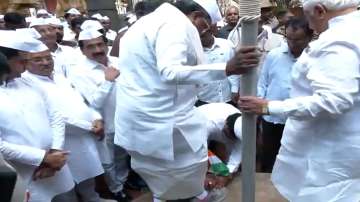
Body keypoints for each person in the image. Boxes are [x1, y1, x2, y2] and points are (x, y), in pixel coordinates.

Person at [114, 0, 260, 201]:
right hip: (164, 124)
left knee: (164, 185)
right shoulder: (175, 23)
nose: (201, 33)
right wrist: (227, 68)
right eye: (204, 27)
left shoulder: (142, 25)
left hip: (136, 124)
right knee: (184, 177)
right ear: (196, 16)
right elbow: (170, 71)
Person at [238, 0, 360, 200]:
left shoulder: (338, 40)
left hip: (328, 155)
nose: (310, 25)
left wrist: (269, 107)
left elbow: (334, 100)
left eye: (308, 17)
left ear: (320, 11)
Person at [21, 34, 105, 201]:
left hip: (84, 138)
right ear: (25, 63)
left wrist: (96, 118)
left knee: (88, 177)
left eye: (47, 58)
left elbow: (81, 100)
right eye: (38, 60)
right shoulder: (28, 84)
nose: (45, 62)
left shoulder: (59, 77)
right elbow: (57, 116)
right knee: (65, 188)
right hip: (60, 144)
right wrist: (89, 127)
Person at [0, 31, 74, 202]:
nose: (26, 66)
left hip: (56, 165)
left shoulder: (28, 82)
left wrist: (55, 153)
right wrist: (43, 158)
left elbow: (55, 115)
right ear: (4, 61)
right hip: (24, 173)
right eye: (22, 61)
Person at [68, 29, 129, 202]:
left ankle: (123, 182)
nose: (97, 49)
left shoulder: (118, 62)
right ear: (82, 50)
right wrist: (108, 81)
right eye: (91, 46)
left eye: (100, 44)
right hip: (105, 123)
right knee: (108, 161)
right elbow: (94, 102)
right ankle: (116, 189)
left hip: (127, 120)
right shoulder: (79, 72)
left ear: (106, 44)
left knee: (122, 156)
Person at [257, 17, 313, 173]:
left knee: (296, 161)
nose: (292, 43)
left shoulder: (314, 59)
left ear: (309, 37)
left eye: (298, 40)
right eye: (289, 38)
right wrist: (260, 111)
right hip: (271, 118)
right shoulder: (274, 55)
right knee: (269, 159)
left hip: (299, 120)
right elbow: (263, 83)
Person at [196, 16, 239, 106]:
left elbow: (234, 70)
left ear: (210, 31)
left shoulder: (226, 45)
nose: (200, 39)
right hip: (205, 100)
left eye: (202, 35)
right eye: (197, 36)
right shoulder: (194, 52)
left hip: (228, 98)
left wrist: (235, 89)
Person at [197, 103, 242, 189]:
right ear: (226, 124)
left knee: (226, 172)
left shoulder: (242, 130)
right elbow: (200, 150)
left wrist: (226, 174)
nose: (230, 139)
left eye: (232, 138)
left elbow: (235, 158)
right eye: (228, 135)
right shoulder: (208, 123)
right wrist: (205, 174)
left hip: (213, 130)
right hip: (199, 126)